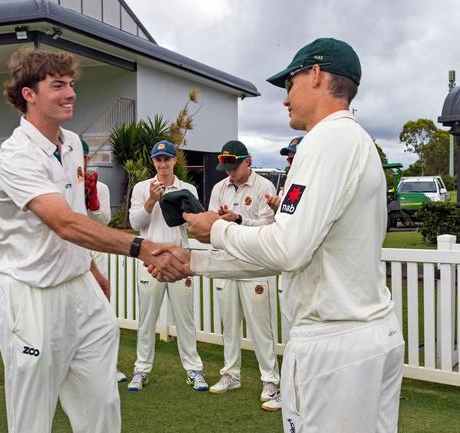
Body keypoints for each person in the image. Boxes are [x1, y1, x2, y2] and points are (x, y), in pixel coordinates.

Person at [152, 38, 405, 433]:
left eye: (289, 84)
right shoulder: (357, 141)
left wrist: (214, 228)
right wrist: (193, 261)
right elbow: (290, 250)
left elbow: (286, 249)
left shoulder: (327, 140)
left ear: (316, 75)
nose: (285, 100)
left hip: (335, 343)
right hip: (365, 334)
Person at [0, 48, 189, 433]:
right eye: (58, 86)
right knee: (32, 417)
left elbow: (76, 216)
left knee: (101, 403)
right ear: (28, 94)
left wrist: (91, 268)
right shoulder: (15, 155)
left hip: (80, 287)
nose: (70, 94)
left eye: (72, 85)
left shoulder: (70, 143)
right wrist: (141, 247)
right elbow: (63, 223)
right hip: (31, 293)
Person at [127, 140, 208, 392]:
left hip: (178, 261)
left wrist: (185, 211)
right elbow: (134, 222)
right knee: (146, 319)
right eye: (158, 160)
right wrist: (151, 200)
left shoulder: (187, 189)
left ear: (175, 161)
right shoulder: (142, 188)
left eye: (167, 159)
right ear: (153, 161)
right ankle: (141, 370)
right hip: (150, 261)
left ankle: (194, 370)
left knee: (185, 318)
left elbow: (193, 225)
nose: (163, 164)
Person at [206, 140, 281, 412]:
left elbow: (266, 227)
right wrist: (223, 220)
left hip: (254, 264)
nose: (230, 172)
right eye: (226, 168)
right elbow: (213, 222)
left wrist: (238, 220)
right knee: (229, 323)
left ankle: (270, 380)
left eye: (235, 167)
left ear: (248, 161)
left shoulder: (264, 187)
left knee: (261, 326)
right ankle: (230, 374)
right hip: (225, 261)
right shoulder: (219, 187)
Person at [82, 139, 128, 383]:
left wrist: (92, 202)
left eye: (83, 156)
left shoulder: (99, 186)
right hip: (69, 252)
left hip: (96, 250)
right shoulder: (57, 184)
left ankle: (108, 367)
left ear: (88, 159)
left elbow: (104, 221)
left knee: (101, 310)